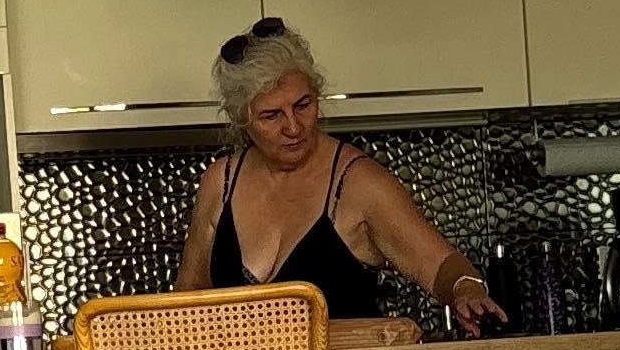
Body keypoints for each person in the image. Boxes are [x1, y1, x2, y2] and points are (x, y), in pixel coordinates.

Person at [175, 18, 503, 333]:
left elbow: (441, 264)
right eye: (271, 115)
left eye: (303, 105)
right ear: (242, 120)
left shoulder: (359, 182)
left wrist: (465, 289)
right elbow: (186, 299)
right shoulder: (220, 182)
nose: (293, 127)